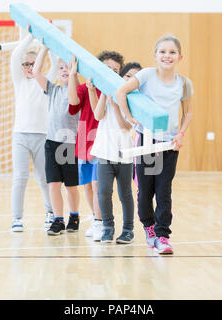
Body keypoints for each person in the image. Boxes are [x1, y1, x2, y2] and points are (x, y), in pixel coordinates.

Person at [115, 34, 194, 254]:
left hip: (169, 144)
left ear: (180, 57)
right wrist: (130, 118)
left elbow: (188, 113)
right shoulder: (147, 75)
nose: (167, 56)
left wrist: (181, 134)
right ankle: (148, 227)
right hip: (146, 141)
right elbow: (121, 92)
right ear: (155, 55)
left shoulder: (184, 83)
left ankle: (162, 236)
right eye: (163, 51)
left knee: (164, 191)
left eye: (172, 52)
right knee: (145, 191)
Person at [68, 50, 125, 241]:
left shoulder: (117, 92)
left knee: (97, 183)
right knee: (87, 185)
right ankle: (96, 218)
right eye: (107, 67)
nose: (111, 72)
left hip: (103, 143)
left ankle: (101, 220)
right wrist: (73, 75)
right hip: (85, 139)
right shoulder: (86, 88)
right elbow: (73, 101)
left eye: (115, 70)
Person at [31, 33, 80, 236]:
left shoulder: (77, 91)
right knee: (53, 183)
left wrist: (74, 74)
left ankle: (74, 215)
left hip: (68, 143)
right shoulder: (52, 89)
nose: (64, 70)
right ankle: (58, 220)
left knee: (70, 186)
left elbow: (73, 101)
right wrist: (44, 49)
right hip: (51, 143)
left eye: (68, 67)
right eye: (61, 68)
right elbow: (36, 72)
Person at [10, 25, 57, 232]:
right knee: (20, 177)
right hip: (20, 136)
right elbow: (15, 55)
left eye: (33, 63)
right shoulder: (19, 82)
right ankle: (17, 218)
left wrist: (46, 45)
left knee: (44, 178)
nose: (29, 67)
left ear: (39, 65)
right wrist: (30, 36)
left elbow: (54, 62)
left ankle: (50, 212)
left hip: (41, 137)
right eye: (26, 64)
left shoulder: (45, 82)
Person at [89, 62, 142, 244]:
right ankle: (108, 227)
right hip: (105, 152)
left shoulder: (135, 100)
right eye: (128, 76)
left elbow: (126, 126)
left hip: (124, 153)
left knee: (125, 193)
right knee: (103, 192)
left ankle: (128, 230)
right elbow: (97, 116)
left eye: (135, 78)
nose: (130, 80)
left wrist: (117, 106)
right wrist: (103, 93)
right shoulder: (109, 92)